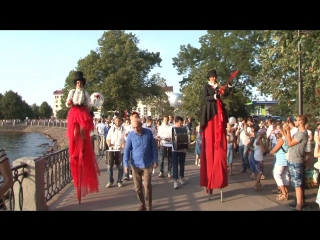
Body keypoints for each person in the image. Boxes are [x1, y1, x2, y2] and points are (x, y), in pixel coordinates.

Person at [65, 71, 100, 203]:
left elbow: (90, 104)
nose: (79, 84)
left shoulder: (85, 93)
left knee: (83, 131)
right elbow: (67, 103)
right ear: (75, 83)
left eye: (80, 82)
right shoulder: (72, 92)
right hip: (75, 111)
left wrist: (95, 99)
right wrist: (69, 102)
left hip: (83, 112)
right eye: (77, 82)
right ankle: (75, 149)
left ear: (83, 83)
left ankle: (83, 145)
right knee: (74, 133)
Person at [200, 69, 235, 193]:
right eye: (212, 77)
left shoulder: (219, 86)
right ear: (209, 78)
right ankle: (209, 182)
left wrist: (229, 86)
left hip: (219, 113)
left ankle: (218, 179)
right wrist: (214, 96)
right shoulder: (206, 87)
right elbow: (206, 97)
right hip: (210, 113)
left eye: (215, 77)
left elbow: (225, 94)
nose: (213, 78)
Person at [123, 118, 158, 211]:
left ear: (141, 125)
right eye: (134, 127)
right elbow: (127, 150)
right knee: (137, 188)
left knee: (147, 185)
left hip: (147, 163)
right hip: (135, 165)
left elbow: (153, 147)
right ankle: (142, 203)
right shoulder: (131, 135)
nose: (136, 129)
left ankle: (148, 205)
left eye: (137, 127)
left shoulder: (148, 133)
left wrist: (155, 160)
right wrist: (125, 164)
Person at [283, 115, 308, 211]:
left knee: (297, 184)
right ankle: (300, 202)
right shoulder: (298, 133)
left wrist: (288, 131)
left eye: (297, 120)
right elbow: (288, 139)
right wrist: (285, 131)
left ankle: (299, 206)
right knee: (296, 183)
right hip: (293, 159)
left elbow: (290, 143)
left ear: (301, 121)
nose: (295, 122)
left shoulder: (302, 134)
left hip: (296, 160)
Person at [269, 128, 290, 200]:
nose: (275, 136)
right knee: (285, 175)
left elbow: (274, 149)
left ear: (279, 133)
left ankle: (284, 193)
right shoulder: (288, 138)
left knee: (277, 175)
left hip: (280, 160)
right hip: (287, 160)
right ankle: (286, 192)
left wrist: (271, 152)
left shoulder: (281, 140)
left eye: (276, 134)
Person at [106, 116, 126, 187]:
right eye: (116, 121)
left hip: (120, 150)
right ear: (114, 121)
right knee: (109, 166)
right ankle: (110, 181)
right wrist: (108, 142)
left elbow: (126, 139)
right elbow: (108, 138)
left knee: (120, 166)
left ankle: (119, 180)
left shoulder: (124, 130)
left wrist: (124, 143)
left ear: (121, 121)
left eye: (118, 121)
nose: (117, 122)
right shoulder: (111, 129)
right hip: (112, 149)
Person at [171, 116, 187, 189]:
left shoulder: (184, 129)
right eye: (180, 123)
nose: (181, 124)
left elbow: (187, 137)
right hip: (175, 150)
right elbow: (169, 137)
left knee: (182, 165)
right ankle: (175, 181)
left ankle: (181, 178)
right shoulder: (172, 129)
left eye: (182, 123)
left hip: (182, 150)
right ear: (176, 122)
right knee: (175, 165)